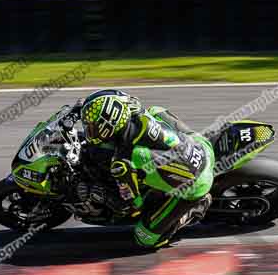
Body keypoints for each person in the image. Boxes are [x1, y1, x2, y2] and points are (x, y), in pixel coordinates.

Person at [78, 89, 213, 249]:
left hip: (197, 182)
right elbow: (119, 96)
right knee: (155, 111)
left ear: (108, 124)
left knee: (145, 238)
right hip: (198, 143)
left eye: (93, 127)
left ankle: (198, 205)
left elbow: (134, 206)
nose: (88, 131)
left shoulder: (125, 161)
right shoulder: (133, 109)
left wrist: (104, 197)